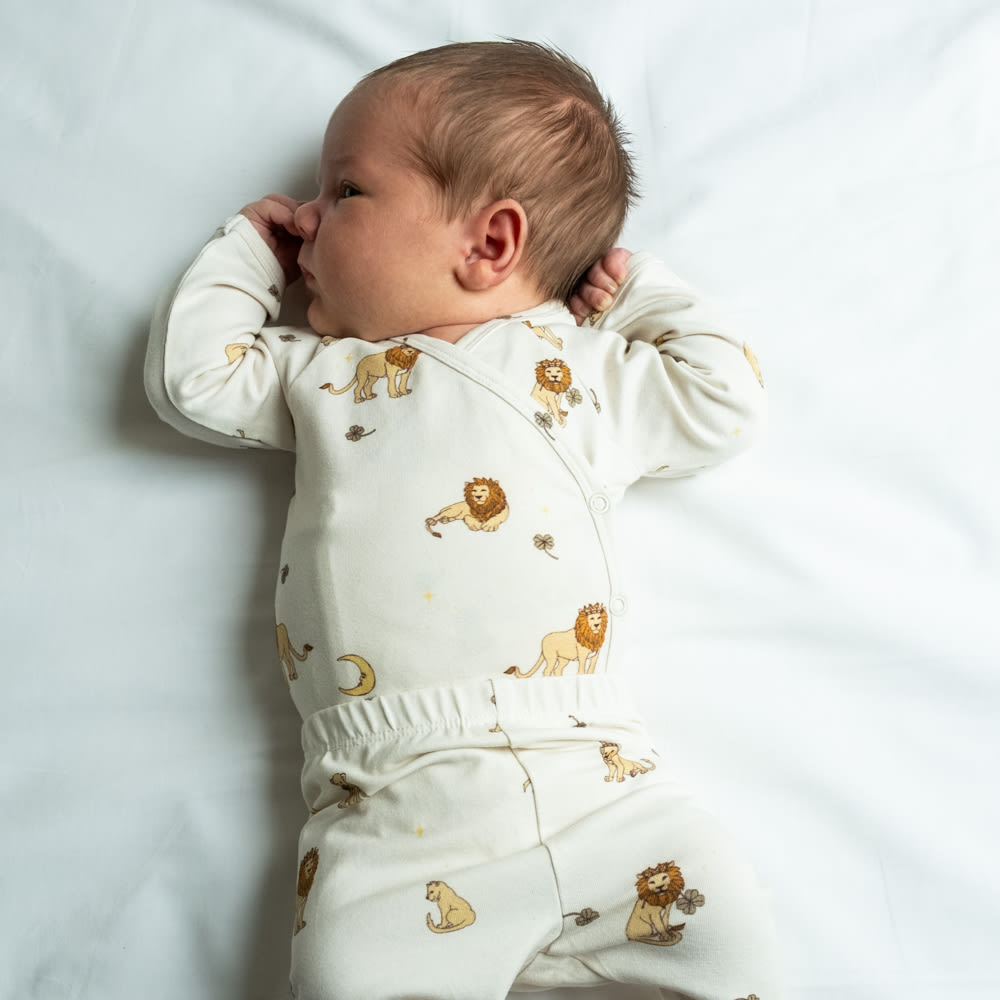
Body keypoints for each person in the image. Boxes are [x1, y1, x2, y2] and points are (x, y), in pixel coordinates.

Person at [145, 39, 778, 1000]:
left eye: (345, 191)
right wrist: (245, 253)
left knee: (732, 934)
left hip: (597, 770)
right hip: (390, 794)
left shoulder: (582, 372)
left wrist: (635, 295)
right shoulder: (320, 376)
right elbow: (192, 378)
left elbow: (724, 400)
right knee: (349, 972)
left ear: (489, 245)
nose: (305, 218)